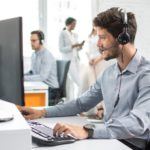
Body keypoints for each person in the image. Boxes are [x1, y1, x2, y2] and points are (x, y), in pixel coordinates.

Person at [18, 8, 150, 149]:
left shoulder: (146, 75)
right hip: (109, 140)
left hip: (132, 146)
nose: (98, 44)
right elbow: (80, 104)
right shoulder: (109, 74)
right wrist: (42, 112)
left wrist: (88, 130)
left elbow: (138, 123)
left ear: (123, 38)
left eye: (103, 37)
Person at [59, 17, 84, 87]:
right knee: (77, 80)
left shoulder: (74, 35)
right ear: (69, 24)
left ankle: (80, 95)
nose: (75, 25)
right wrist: (72, 46)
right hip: (68, 60)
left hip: (76, 59)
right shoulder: (63, 33)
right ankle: (85, 93)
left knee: (79, 78)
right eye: (74, 24)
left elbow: (76, 49)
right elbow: (61, 49)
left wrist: (80, 46)